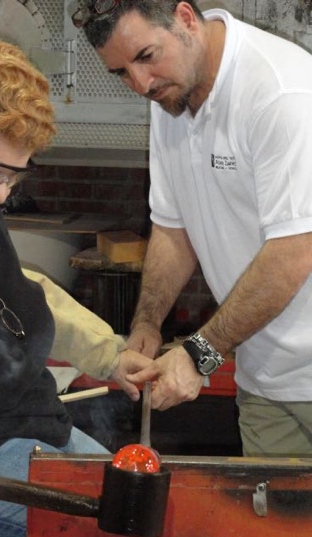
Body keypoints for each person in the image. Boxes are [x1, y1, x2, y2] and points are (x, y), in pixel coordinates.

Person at [0, 37, 152, 537]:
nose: (0, 193)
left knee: (154, 508)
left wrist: (109, 353)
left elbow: (17, 291)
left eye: (14, 175)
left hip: (36, 427)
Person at [77, 0, 312, 458]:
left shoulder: (282, 92)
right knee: (271, 526)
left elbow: (294, 253)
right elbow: (172, 226)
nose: (140, 84)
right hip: (265, 380)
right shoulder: (168, 98)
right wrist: (147, 320)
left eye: (146, 56)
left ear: (185, 19)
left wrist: (199, 354)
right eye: (121, 73)